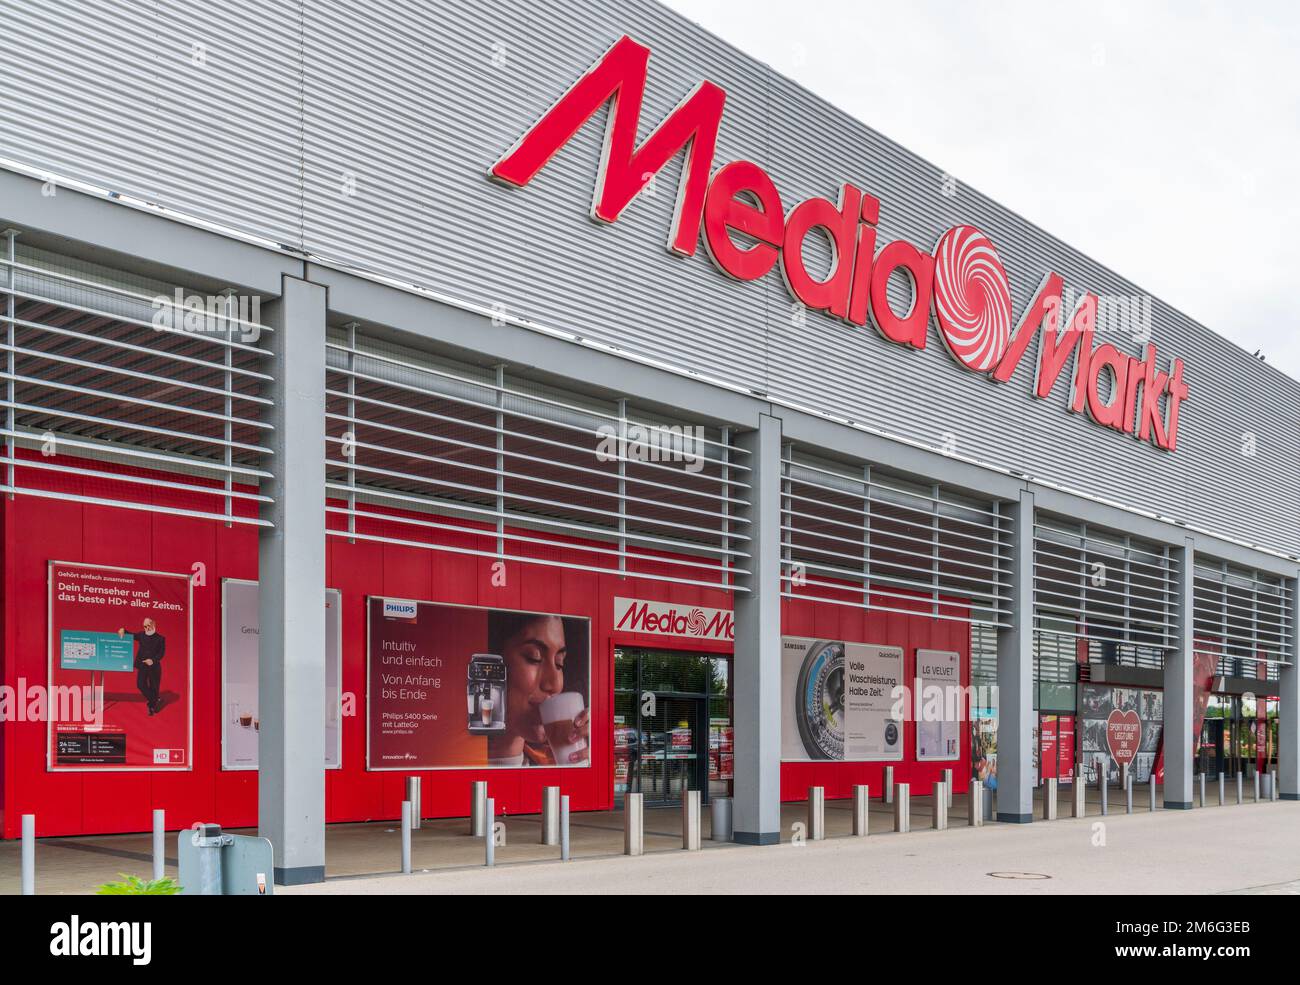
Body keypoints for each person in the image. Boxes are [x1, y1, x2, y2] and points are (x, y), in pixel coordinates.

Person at [485, 612, 589, 766]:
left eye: (559, 663)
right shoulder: (446, 756)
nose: (554, 684)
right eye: (534, 658)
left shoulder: (552, 767)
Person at [118, 618, 165, 716]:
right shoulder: (141, 635)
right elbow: (131, 635)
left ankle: (152, 706)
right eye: (144, 626)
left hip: (154, 666)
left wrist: (152, 660)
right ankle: (155, 699)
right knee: (140, 685)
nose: (146, 628)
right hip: (143, 665)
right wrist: (123, 630)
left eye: (148, 625)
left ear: (153, 624)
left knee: (154, 687)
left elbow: (161, 653)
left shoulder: (160, 638)